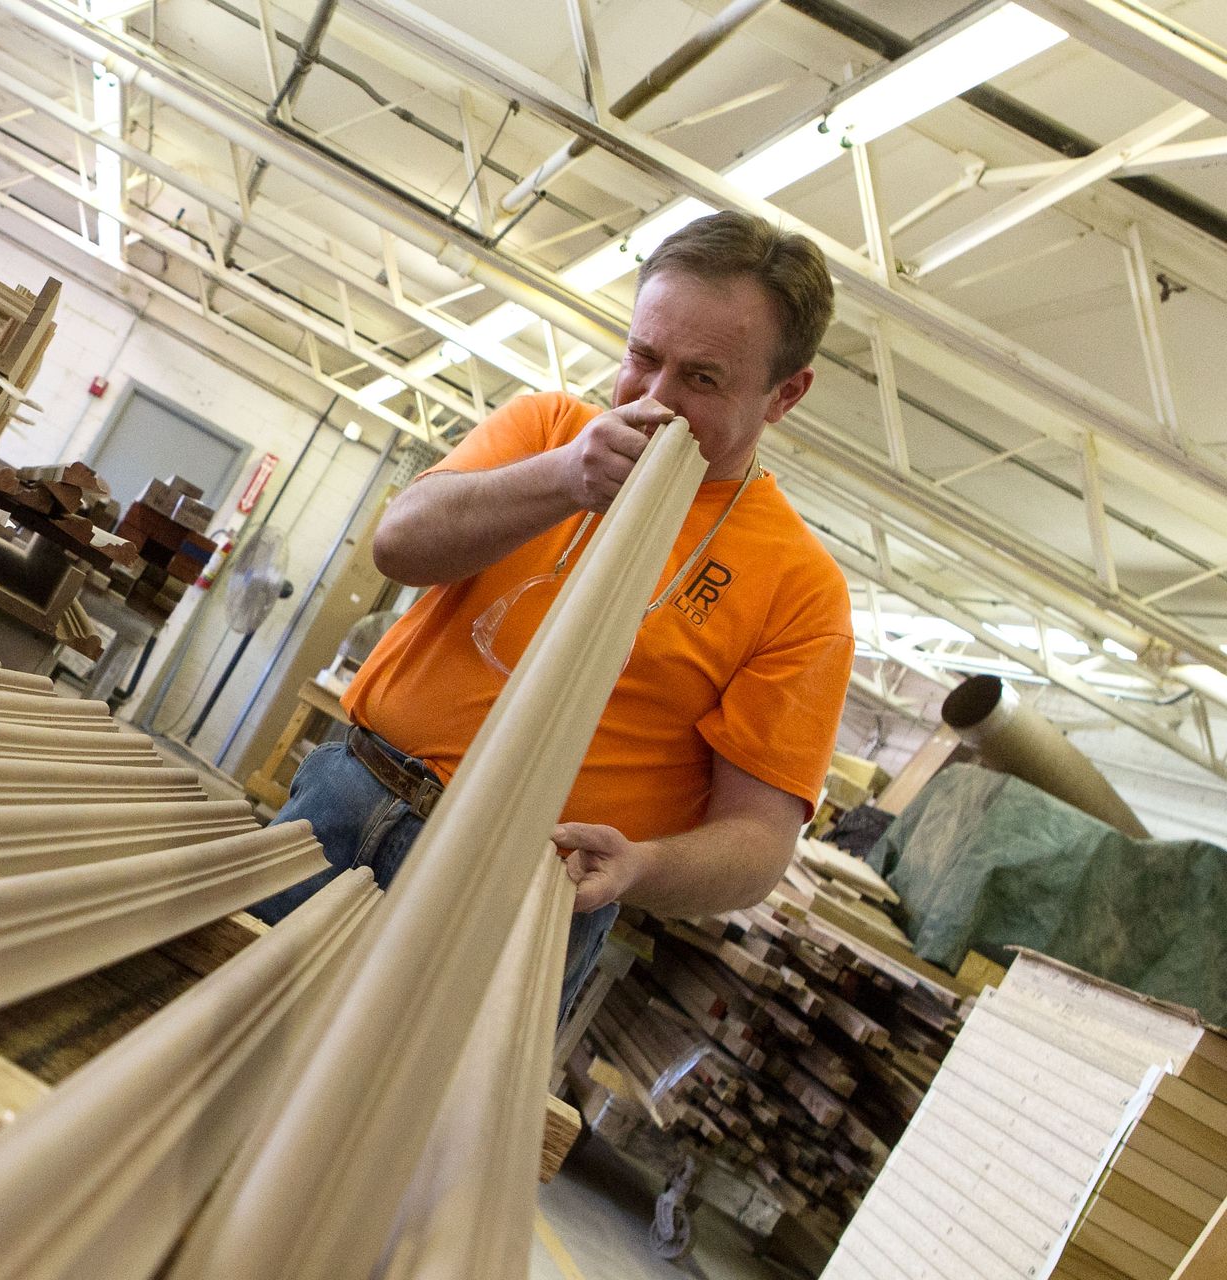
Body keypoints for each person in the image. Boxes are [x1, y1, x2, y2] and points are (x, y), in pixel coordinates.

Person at [251, 211, 856, 1018]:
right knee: (195, 1040)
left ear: (787, 393)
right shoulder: (548, 431)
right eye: (643, 357)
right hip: (350, 807)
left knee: (388, 1134)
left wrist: (641, 867)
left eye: (703, 379)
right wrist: (565, 478)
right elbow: (399, 545)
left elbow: (757, 843)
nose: (656, 399)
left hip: (524, 899)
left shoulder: (800, 588)